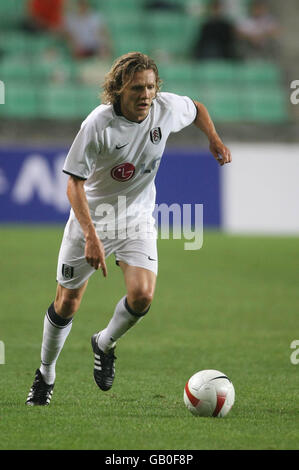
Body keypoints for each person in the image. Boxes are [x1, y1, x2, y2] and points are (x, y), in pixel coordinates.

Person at [25, 51, 232, 406]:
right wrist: (90, 235)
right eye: (138, 88)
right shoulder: (98, 124)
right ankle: (46, 374)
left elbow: (196, 108)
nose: (146, 95)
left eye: (151, 86)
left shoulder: (165, 108)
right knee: (67, 303)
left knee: (143, 296)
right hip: (91, 219)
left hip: (136, 217)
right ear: (119, 88)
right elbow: (73, 184)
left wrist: (213, 138)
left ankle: (104, 342)